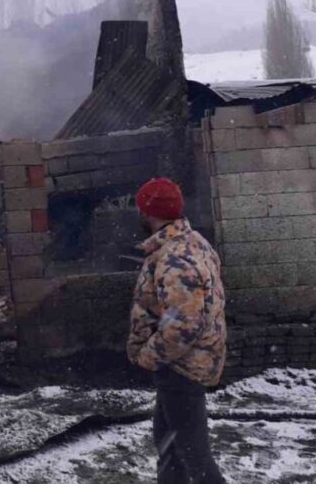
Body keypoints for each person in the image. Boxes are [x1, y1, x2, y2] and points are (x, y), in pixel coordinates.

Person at [128, 177, 227, 484]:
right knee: (169, 443)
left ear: (147, 212)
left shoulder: (177, 256)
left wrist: (147, 355)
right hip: (181, 364)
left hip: (182, 366)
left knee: (193, 454)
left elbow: (184, 323)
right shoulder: (189, 243)